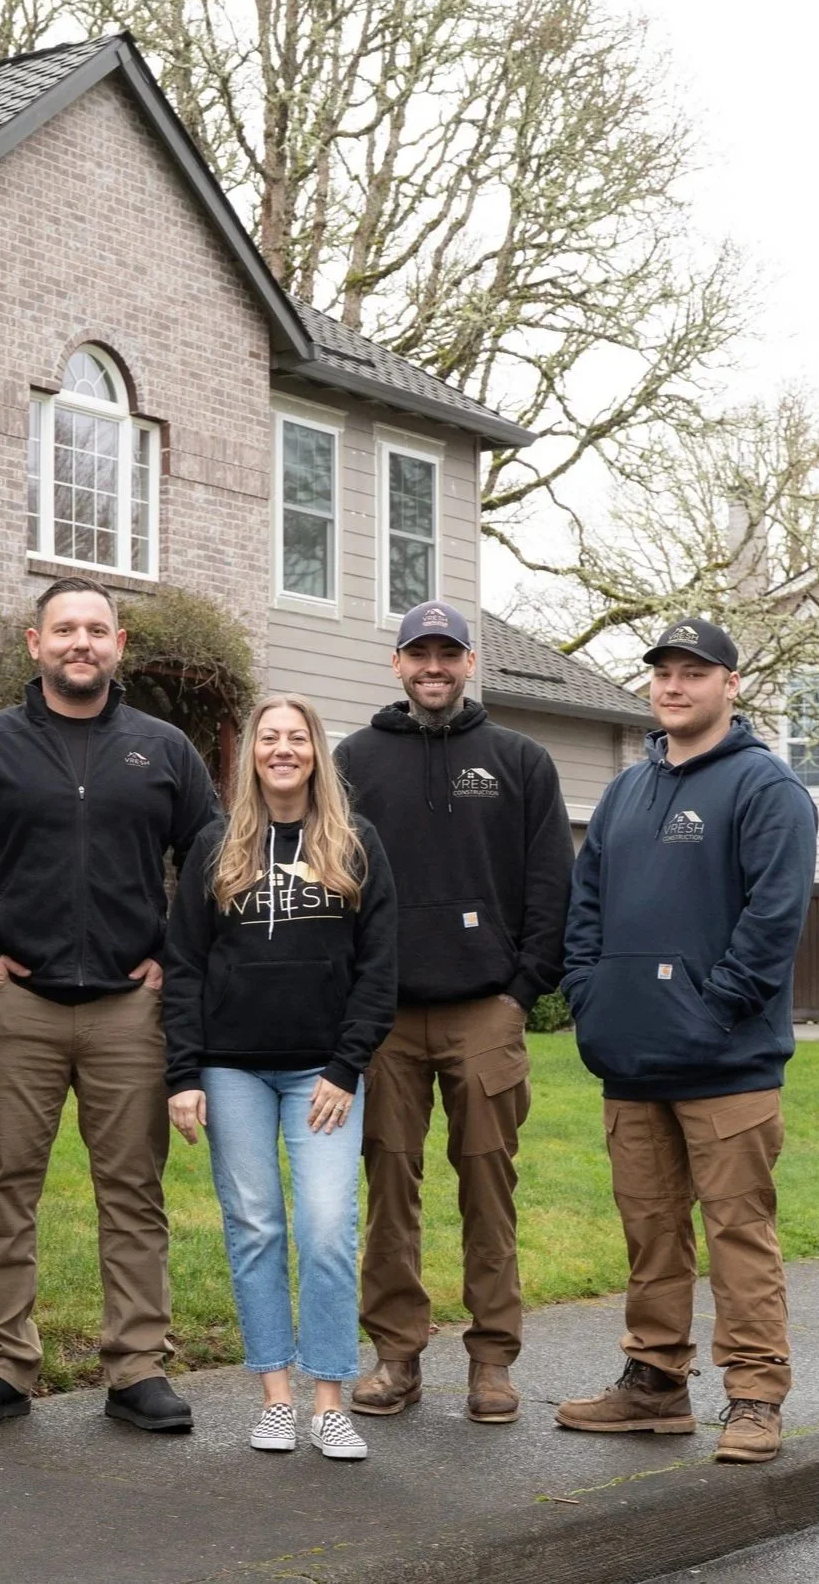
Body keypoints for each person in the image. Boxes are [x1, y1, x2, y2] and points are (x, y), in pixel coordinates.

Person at [0, 576, 222, 1433]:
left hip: (129, 1012)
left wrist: (173, 957)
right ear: (36, 644)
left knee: (133, 1191)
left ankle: (137, 1367)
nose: (81, 643)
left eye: (96, 630)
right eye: (64, 629)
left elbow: (211, 862)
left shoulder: (164, 749)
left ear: (118, 644)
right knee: (4, 1186)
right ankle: (1, 1363)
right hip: (15, 1007)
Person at [555, 617, 817, 1465]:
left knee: (739, 1235)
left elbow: (774, 918)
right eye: (663, 671)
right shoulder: (626, 792)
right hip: (632, 1062)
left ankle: (755, 1396)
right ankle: (655, 1384)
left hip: (728, 1064)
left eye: (693, 672)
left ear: (729, 685)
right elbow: (586, 906)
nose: (673, 685)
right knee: (651, 1232)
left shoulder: (766, 788)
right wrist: (590, 995)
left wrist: (715, 1010)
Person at [335, 600, 573, 1424]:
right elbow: (334, 880)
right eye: (419, 653)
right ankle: (396, 1355)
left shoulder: (520, 760)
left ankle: (492, 1360)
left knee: (488, 1187)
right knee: (388, 1191)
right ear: (397, 664)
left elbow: (551, 887)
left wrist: (520, 994)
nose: (433, 667)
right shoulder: (353, 760)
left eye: (448, 653)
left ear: (471, 663)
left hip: (485, 1012)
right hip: (385, 1018)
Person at [163, 695, 397, 1461]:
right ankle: (274, 1397)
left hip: (322, 1075)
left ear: (316, 751)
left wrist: (346, 1066)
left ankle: (329, 1401)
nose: (283, 749)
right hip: (231, 1069)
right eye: (270, 738)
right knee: (255, 1226)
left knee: (327, 1227)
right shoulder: (216, 844)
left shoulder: (355, 843)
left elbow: (379, 969)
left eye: (297, 737)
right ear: (252, 755)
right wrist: (183, 1074)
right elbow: (184, 964)